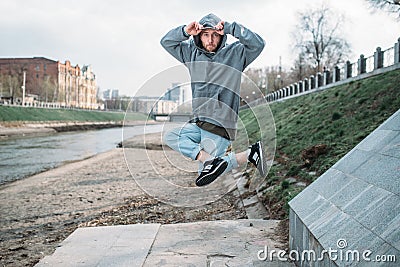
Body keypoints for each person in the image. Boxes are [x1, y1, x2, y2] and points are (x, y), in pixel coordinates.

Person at [160, 13, 266, 186]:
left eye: (215, 35)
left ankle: (248, 154)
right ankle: (247, 154)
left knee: (204, 177)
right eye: (206, 35)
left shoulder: (236, 54)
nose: (211, 39)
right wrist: (185, 31)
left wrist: (232, 28)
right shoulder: (191, 53)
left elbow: (258, 44)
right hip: (199, 122)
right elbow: (166, 42)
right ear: (199, 36)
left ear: (222, 36)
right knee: (171, 136)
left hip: (220, 123)